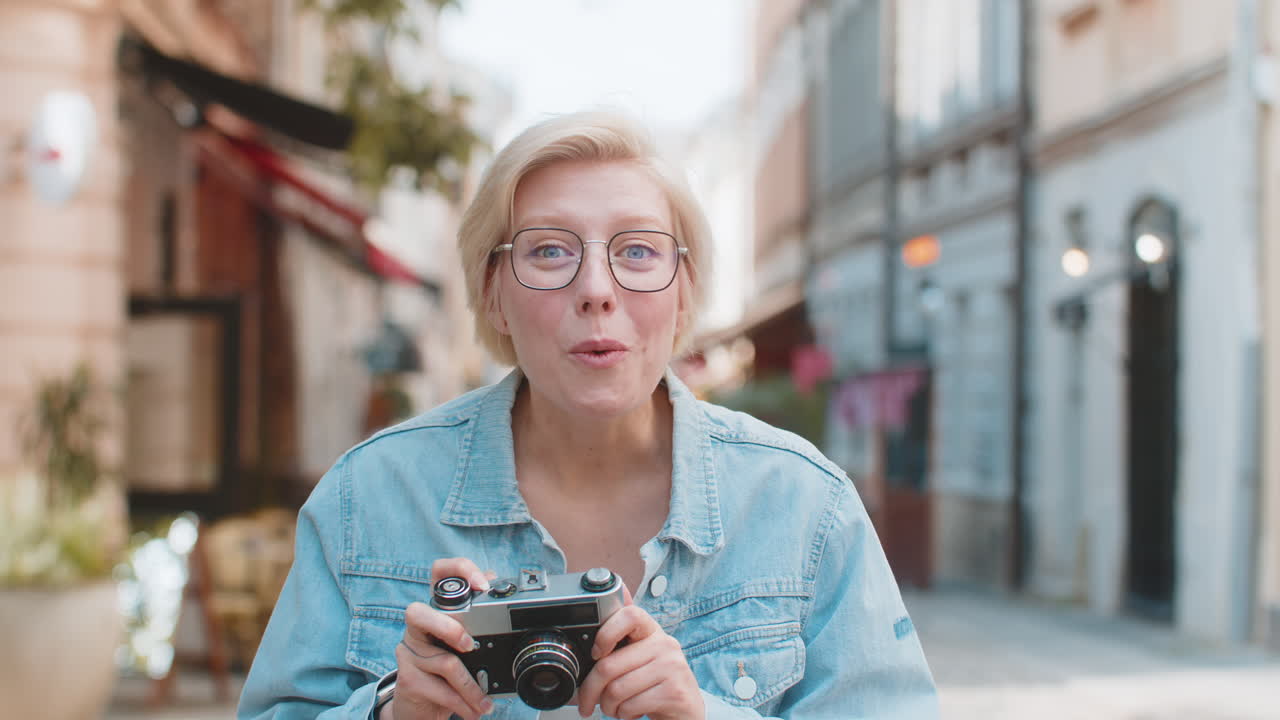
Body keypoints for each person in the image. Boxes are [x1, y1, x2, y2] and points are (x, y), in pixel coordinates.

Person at [238, 111, 938, 720]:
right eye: (549, 250)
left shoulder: (805, 506)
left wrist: (703, 713)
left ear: (684, 292)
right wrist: (390, 711)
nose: (597, 289)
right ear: (492, 292)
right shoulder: (368, 499)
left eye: (637, 250)